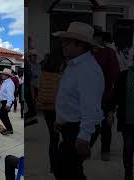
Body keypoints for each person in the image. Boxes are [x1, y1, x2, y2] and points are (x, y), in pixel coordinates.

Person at [53, 22, 105, 180]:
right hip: (71, 126)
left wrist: (84, 136)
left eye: (67, 42)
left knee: (67, 171)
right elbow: (69, 97)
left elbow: (90, 106)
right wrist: (60, 119)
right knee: (66, 170)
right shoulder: (74, 65)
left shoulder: (88, 69)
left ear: (80, 45)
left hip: (80, 127)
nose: (63, 46)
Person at [90, 28, 120, 161]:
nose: (96, 39)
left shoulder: (109, 52)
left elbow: (115, 75)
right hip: (89, 95)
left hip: (106, 95)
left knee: (106, 126)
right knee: (90, 124)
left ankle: (105, 151)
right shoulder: (87, 53)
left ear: (101, 38)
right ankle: (86, 148)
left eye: (97, 37)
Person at [38, 48, 66, 173]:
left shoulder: (42, 75)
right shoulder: (61, 77)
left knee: (53, 138)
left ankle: (53, 167)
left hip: (46, 110)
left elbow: (39, 89)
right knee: (64, 138)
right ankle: (61, 164)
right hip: (58, 110)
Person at [114, 62, 134, 180]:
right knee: (128, 147)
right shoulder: (123, 76)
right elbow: (116, 95)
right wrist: (111, 110)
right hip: (127, 120)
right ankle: (128, 173)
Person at [0, 68, 15, 135]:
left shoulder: (9, 83)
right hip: (4, 101)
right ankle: (8, 128)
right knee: (3, 115)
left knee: (3, 115)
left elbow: (10, 95)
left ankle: (9, 129)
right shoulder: (5, 82)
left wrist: (8, 104)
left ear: (7, 76)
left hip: (7, 101)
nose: (2, 75)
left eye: (3, 74)